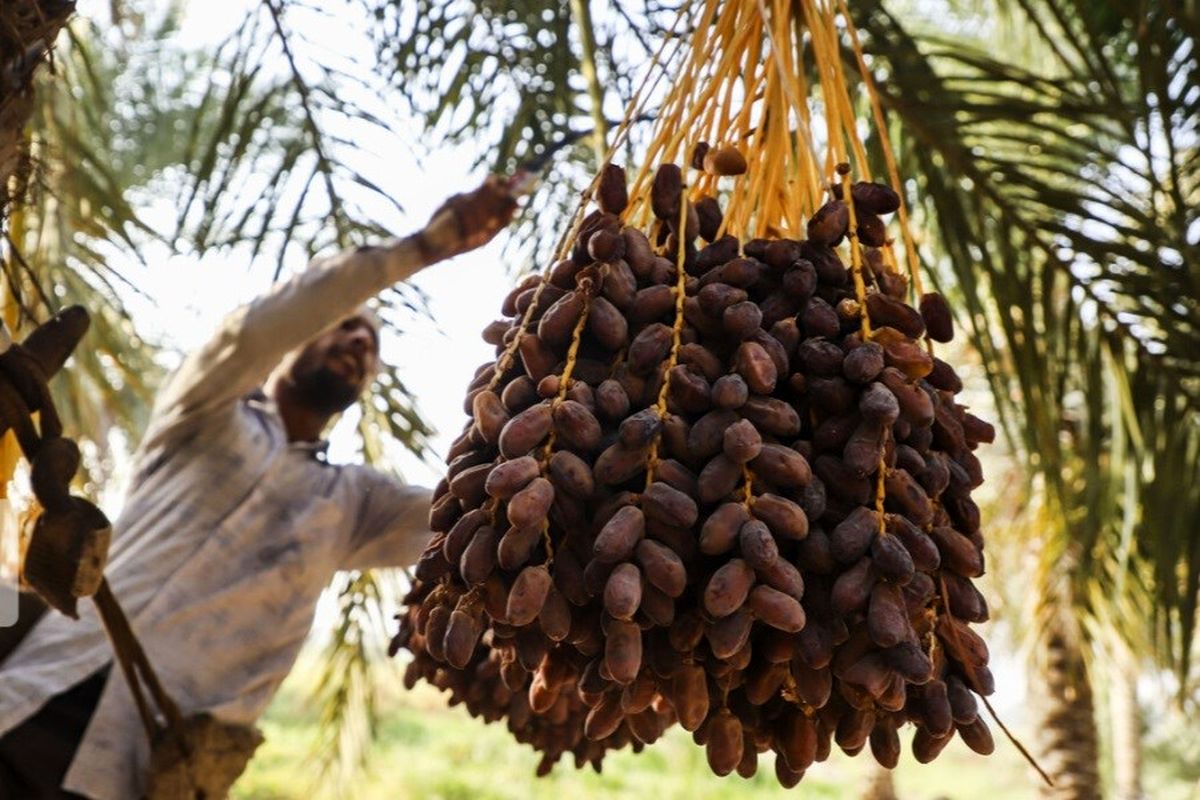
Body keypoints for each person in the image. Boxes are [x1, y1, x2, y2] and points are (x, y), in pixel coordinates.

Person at [0, 176, 519, 799]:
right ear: (300, 335)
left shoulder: (353, 504)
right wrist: (421, 249)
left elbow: (469, 512)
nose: (359, 340)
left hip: (144, 770)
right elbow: (252, 333)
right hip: (32, 700)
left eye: (372, 345)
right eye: (346, 325)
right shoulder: (203, 410)